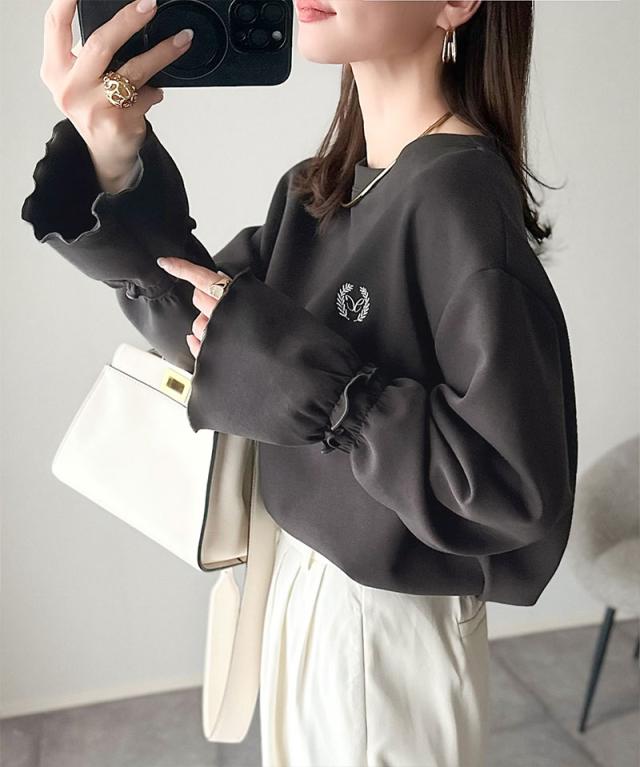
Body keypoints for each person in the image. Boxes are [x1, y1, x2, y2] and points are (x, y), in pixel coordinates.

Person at [22, 0, 578, 765]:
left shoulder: (461, 198)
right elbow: (204, 325)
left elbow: (512, 490)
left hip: (381, 632)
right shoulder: (319, 189)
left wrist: (333, 395)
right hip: (298, 588)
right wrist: (113, 160)